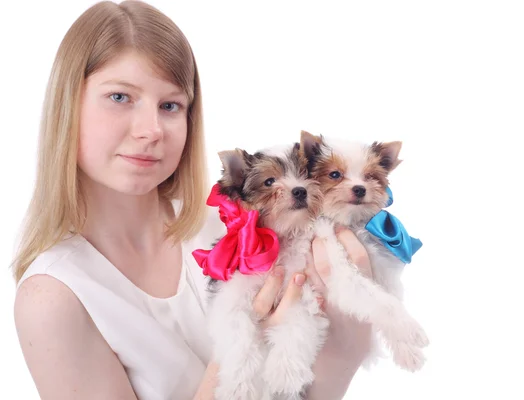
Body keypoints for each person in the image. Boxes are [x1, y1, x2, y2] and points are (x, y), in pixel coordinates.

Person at [11, 1, 374, 399]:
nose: (151, 130)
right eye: (120, 97)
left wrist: (344, 349)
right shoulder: (54, 298)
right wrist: (239, 357)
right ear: (67, 105)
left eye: (170, 106)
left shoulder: (235, 228)